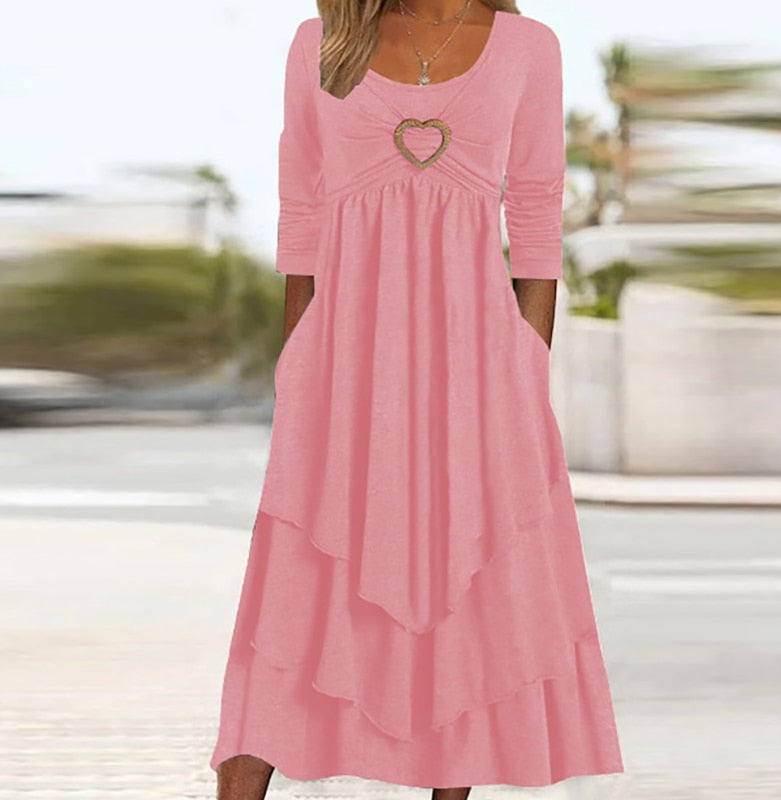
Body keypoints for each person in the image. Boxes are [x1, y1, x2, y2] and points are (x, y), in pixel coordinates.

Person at [210, 2, 625, 798]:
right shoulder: (323, 41)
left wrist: (525, 364)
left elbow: (536, 210)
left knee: (461, 587)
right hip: (341, 365)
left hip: (480, 370)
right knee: (296, 590)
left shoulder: (528, 48)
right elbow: (301, 210)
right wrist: (298, 363)